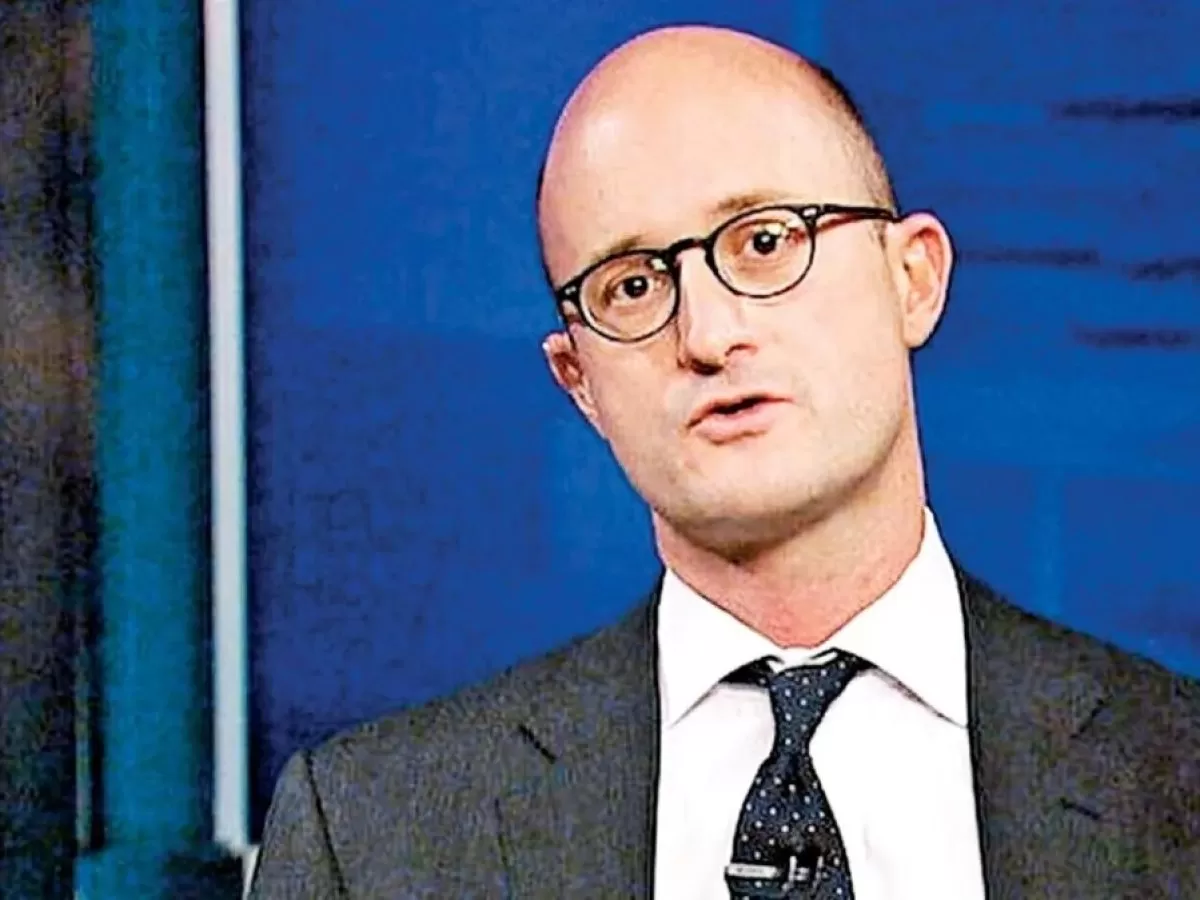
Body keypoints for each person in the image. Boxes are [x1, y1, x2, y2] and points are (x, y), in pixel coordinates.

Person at [249, 24, 1200, 899]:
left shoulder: (1174, 775)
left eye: (765, 242)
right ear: (580, 383)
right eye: (632, 286)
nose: (706, 334)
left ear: (913, 279)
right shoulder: (372, 840)